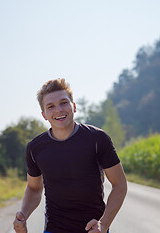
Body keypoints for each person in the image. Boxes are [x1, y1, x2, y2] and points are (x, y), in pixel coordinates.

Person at [13, 78, 127, 233]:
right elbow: (33, 188)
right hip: (54, 229)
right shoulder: (35, 148)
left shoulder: (97, 139)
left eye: (63, 103)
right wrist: (23, 216)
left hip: (93, 229)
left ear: (73, 106)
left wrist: (104, 223)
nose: (59, 110)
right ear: (44, 114)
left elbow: (120, 184)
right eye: (51, 106)